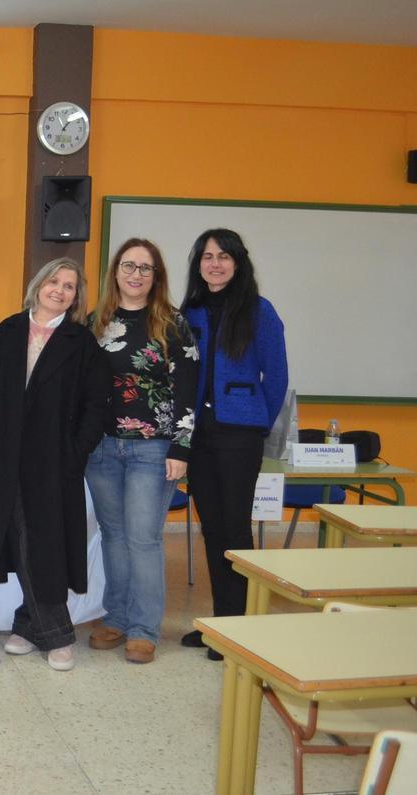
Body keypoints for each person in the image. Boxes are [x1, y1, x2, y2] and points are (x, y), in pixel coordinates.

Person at [0, 257, 108, 672]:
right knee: (17, 540)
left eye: (69, 287)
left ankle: (55, 632)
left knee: (45, 545)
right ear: (38, 285)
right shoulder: (8, 331)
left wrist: (77, 451)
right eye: (54, 281)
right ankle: (28, 622)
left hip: (54, 462)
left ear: (76, 297)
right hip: (5, 458)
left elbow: (96, 404)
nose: (60, 290)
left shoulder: (80, 342)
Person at [85, 239, 199, 664]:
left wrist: (181, 448)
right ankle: (115, 617)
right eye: (129, 266)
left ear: (156, 277)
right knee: (113, 536)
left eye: (145, 268)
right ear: (115, 272)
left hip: (153, 451)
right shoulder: (96, 321)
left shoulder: (172, 324)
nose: (136, 274)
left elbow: (188, 389)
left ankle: (144, 628)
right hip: (101, 449)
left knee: (143, 539)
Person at [179, 228, 287, 660]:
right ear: (198, 264)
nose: (215, 264)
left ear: (238, 263)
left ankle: (237, 628)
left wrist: (256, 421)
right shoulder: (190, 310)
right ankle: (219, 624)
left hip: (240, 434)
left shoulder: (259, 311)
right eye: (207, 257)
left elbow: (275, 377)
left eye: (224, 256)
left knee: (236, 527)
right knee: (212, 526)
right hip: (199, 434)